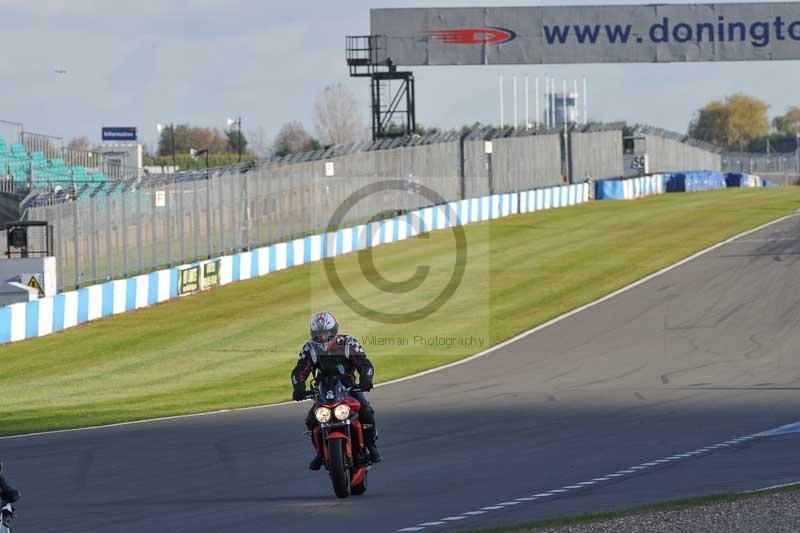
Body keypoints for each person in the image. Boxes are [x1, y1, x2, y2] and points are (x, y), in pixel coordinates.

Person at [291, 311, 381, 470]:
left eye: (326, 333)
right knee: (311, 420)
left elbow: (365, 364)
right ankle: (320, 453)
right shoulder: (310, 348)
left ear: (334, 331)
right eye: (318, 334)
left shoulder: (348, 343)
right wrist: (299, 387)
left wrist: (366, 380)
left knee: (366, 410)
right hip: (324, 392)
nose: (323, 337)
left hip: (349, 389)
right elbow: (299, 371)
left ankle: (371, 446)